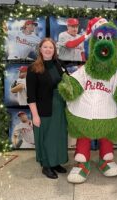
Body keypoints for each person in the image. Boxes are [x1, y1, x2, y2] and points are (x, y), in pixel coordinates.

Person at [26, 37, 68, 179]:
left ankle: (55, 162)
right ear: (40, 49)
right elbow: (30, 96)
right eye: (45, 47)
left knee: (58, 136)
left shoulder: (59, 64)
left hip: (59, 108)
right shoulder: (33, 68)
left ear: (54, 50)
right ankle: (46, 165)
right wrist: (35, 116)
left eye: (51, 47)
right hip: (43, 109)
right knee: (46, 138)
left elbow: (67, 83)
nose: (48, 49)